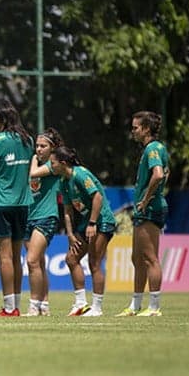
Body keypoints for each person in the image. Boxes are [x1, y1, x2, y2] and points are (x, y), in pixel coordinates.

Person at [0, 99, 33, 317]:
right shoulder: (28, 140)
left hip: (1, 203)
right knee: (17, 256)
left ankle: (9, 307)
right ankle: (17, 305)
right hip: (23, 203)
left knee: (4, 257)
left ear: (1, 120)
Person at [50, 146, 116, 317]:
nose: (51, 167)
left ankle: (97, 308)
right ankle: (81, 304)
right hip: (85, 225)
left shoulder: (80, 174)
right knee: (71, 259)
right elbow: (67, 210)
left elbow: (98, 197)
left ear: (63, 163)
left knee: (94, 263)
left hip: (101, 222)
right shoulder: (63, 182)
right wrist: (70, 234)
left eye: (53, 163)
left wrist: (92, 223)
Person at [117, 111, 170, 317]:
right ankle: (135, 305)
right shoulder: (152, 149)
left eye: (136, 127)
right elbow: (165, 172)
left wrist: (147, 198)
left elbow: (158, 174)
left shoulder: (153, 148)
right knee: (137, 258)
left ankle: (154, 307)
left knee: (150, 258)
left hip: (150, 209)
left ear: (146, 129)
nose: (133, 131)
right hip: (144, 210)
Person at [24, 128, 64, 316]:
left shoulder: (53, 165)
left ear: (53, 148)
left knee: (31, 260)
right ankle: (44, 305)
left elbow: (33, 173)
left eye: (43, 146)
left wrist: (32, 159)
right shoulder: (37, 163)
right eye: (37, 146)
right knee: (38, 262)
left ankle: (33, 306)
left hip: (46, 216)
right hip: (28, 217)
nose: (38, 149)